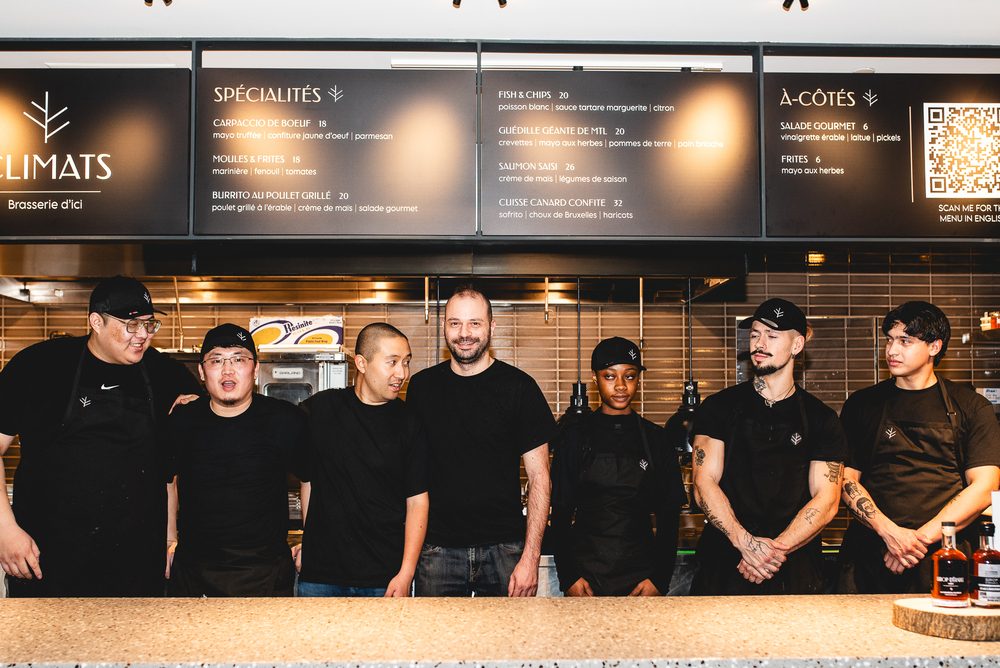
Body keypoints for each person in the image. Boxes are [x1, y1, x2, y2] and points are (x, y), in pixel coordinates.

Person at [0, 275, 200, 597]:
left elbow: (171, 467)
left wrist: (198, 409)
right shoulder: (39, 366)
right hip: (47, 560)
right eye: (131, 325)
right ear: (96, 321)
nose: (143, 336)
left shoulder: (166, 374)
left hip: (136, 565)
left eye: (150, 325)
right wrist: (5, 531)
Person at [837, 301, 1000, 594]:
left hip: (945, 554)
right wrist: (890, 533)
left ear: (934, 347)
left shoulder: (972, 406)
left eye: (905, 341)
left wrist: (915, 541)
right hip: (872, 553)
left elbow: (985, 487)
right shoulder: (862, 405)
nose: (891, 350)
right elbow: (845, 480)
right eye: (889, 339)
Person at [690, 298, 849, 595]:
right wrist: (745, 543)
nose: (759, 344)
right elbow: (703, 483)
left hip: (793, 568)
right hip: (725, 563)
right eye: (755, 334)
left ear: (797, 345)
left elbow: (827, 500)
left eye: (772, 336)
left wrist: (770, 553)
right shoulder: (719, 408)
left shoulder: (822, 419)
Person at [406, 285, 556, 597]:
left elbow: (540, 478)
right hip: (437, 550)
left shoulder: (519, 389)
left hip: (505, 550)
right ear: (444, 326)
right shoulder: (422, 388)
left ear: (492, 326)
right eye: (455, 323)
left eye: (475, 323)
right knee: (437, 645)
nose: (464, 333)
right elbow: (408, 475)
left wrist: (530, 558)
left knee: (508, 644)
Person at [165, 324, 308, 597]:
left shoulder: (286, 420)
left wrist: (311, 539)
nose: (227, 370)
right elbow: (167, 480)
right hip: (194, 571)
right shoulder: (182, 420)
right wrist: (169, 540)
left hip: (266, 571)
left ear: (255, 370)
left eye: (239, 359)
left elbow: (310, 479)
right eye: (216, 360)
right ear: (201, 371)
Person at [297, 323, 428, 597]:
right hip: (320, 578)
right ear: (361, 363)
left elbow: (417, 502)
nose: (401, 373)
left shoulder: (410, 422)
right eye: (392, 362)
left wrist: (406, 573)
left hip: (384, 578)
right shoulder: (321, 409)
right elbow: (308, 480)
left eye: (405, 363)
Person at [550, 337, 686, 597]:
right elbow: (561, 515)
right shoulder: (574, 438)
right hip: (585, 580)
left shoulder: (657, 440)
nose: (621, 386)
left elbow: (670, 518)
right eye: (610, 376)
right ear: (595, 378)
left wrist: (659, 579)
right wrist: (569, 577)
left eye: (630, 376)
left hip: (641, 581)